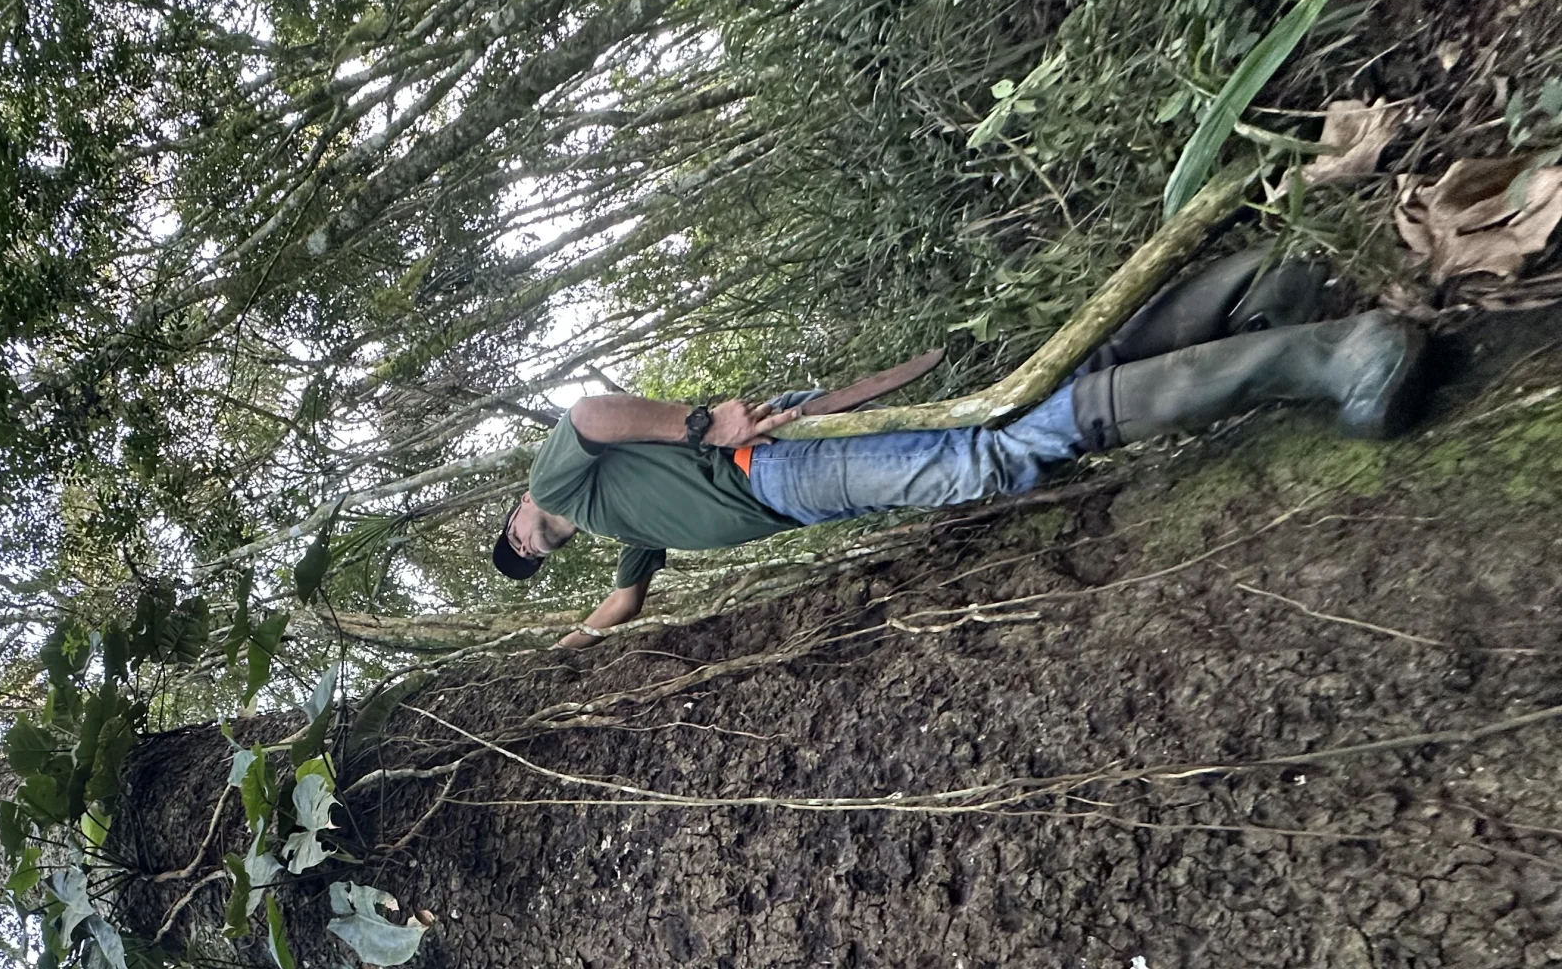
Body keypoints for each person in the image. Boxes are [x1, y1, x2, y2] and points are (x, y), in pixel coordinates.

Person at [491, 250, 1430, 648]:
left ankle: (1339, 356)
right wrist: (572, 643)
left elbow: (589, 413)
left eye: (518, 541)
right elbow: (628, 598)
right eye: (530, 561)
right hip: (792, 481)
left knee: (994, 455)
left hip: (772, 464)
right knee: (1007, 419)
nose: (532, 547)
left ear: (521, 512)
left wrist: (706, 424)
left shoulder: (559, 477)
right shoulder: (620, 520)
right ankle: (1256, 290)